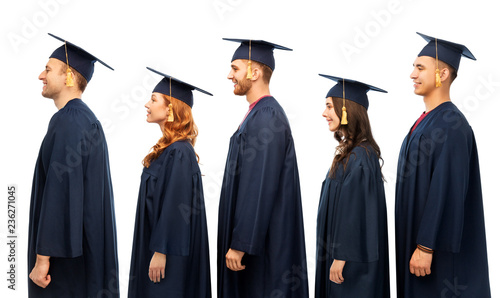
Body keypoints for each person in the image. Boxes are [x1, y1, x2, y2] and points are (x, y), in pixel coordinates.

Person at [395, 32, 491, 297]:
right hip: (415, 244)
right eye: (414, 67)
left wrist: (426, 246)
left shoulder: (451, 124)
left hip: (436, 253)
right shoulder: (426, 121)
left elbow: (447, 188)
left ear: (443, 74)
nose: (412, 74)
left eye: (420, 67)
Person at [28, 33, 119, 297]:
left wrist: (43, 258)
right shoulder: (85, 119)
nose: (40, 76)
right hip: (84, 253)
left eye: (47, 69)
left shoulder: (68, 121)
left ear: (68, 76)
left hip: (64, 265)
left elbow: (60, 193)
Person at [217, 39, 309, 297]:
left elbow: (258, 185)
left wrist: (241, 243)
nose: (229, 75)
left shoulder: (267, 116)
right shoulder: (257, 113)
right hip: (255, 244)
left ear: (254, 73)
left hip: (262, 249)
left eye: (235, 69)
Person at [128, 67, 212, 298]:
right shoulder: (169, 150)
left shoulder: (180, 151)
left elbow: (177, 205)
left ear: (170, 108)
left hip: (168, 256)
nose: (146, 104)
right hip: (156, 248)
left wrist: (161, 250)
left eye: (153, 99)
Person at [315, 75, 390, 297]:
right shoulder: (353, 153)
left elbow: (356, 211)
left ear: (345, 110)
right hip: (342, 256)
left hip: (350, 263)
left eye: (329, 106)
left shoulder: (360, 156)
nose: (324, 113)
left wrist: (340, 256)